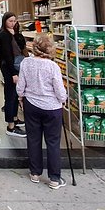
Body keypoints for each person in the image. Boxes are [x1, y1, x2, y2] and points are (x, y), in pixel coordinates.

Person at [16, 33, 67, 189]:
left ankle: (35, 173)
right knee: (53, 142)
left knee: (33, 139)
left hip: (31, 105)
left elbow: (20, 87)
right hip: (52, 108)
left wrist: (21, 97)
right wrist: (63, 98)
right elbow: (60, 92)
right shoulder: (53, 67)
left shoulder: (26, 63)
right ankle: (54, 178)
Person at [0, 11, 27, 137]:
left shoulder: (14, 33)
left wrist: (17, 33)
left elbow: (22, 46)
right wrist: (13, 73)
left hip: (16, 66)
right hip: (10, 68)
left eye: (14, 21)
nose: (13, 23)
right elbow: (7, 55)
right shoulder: (4, 35)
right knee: (10, 95)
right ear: (5, 21)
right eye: (10, 21)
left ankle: (15, 118)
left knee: (15, 94)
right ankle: (10, 127)